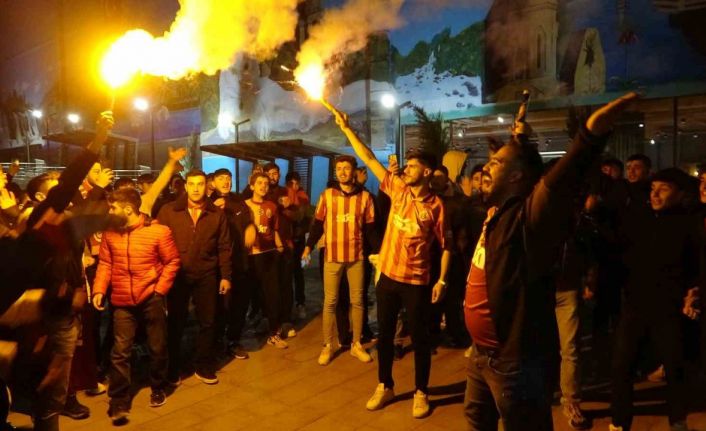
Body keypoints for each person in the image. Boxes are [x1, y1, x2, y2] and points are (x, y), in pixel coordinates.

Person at [460, 92, 638, 431]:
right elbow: (520, 161)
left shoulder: (528, 217)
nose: (485, 169)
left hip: (511, 363)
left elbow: (562, 178)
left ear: (515, 178)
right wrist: (518, 134)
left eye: (495, 165)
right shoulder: (496, 209)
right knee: (475, 420)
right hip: (480, 354)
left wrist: (590, 134)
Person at [328, 106, 451, 419]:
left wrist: (442, 280)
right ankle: (385, 385)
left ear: (426, 172)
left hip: (418, 282)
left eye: (412, 166)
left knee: (421, 340)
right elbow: (368, 158)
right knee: (383, 336)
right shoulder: (397, 189)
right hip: (388, 278)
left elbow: (446, 246)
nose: (405, 170)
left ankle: (421, 392)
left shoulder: (437, 207)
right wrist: (346, 129)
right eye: (406, 165)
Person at [610, 168, 698, 431]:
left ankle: (678, 421)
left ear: (680, 193)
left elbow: (695, 264)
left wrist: (693, 292)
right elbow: (619, 252)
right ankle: (619, 422)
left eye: (664, 188)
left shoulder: (689, 224)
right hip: (635, 304)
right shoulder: (638, 219)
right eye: (652, 188)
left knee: (674, 367)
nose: (655, 194)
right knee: (621, 366)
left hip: (669, 307)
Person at [91, 188, 180, 424]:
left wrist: (160, 290)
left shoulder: (158, 231)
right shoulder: (111, 233)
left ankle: (158, 386)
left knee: (157, 345)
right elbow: (106, 264)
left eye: (113, 208)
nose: (109, 212)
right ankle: (118, 399)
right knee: (120, 351)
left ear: (128, 209)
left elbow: (172, 261)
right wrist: (100, 289)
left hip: (151, 296)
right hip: (121, 299)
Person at [157, 169, 232, 385]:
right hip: (177, 274)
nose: (197, 188)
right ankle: (173, 368)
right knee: (175, 322)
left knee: (208, 321)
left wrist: (225, 275)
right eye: (192, 184)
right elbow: (158, 242)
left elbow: (224, 246)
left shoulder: (216, 214)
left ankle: (203, 365)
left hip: (207, 274)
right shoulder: (169, 210)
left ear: (206, 186)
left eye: (200, 184)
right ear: (186, 186)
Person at [302, 155, 377, 365]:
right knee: (330, 302)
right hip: (332, 257)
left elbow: (371, 230)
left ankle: (356, 344)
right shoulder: (327, 196)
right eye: (339, 168)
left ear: (354, 171)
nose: (342, 172)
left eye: (346, 168)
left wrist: (378, 252)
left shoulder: (365, 198)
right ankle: (328, 345)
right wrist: (308, 246)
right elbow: (317, 224)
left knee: (358, 301)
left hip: (356, 257)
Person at [209, 168, 252, 359]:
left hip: (239, 261)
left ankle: (234, 340)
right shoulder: (207, 202)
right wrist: (212, 212)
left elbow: (248, 220)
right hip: (216, 265)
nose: (226, 182)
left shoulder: (238, 201)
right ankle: (216, 340)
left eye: (228, 178)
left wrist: (251, 227)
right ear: (213, 182)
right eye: (221, 179)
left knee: (240, 304)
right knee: (219, 306)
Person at [244, 173, 288, 348]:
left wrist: (280, 246)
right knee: (249, 297)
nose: (263, 186)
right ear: (252, 185)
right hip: (249, 257)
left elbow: (274, 229)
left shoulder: (272, 206)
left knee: (272, 295)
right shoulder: (243, 206)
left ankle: (274, 333)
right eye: (259, 183)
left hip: (269, 254)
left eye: (266, 184)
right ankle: (236, 337)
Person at [284, 172, 310, 320]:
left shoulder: (303, 196)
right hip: (287, 241)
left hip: (299, 241)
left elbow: (300, 215)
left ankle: (300, 303)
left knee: (299, 273)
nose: (294, 186)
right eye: (291, 183)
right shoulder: (283, 194)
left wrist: (291, 206)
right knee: (286, 275)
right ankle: (288, 305)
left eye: (296, 183)